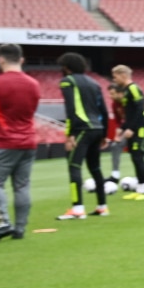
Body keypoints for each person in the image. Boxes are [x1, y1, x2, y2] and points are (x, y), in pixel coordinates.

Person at [0, 44, 41, 241]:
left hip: (2, 141)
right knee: (22, 186)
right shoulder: (34, 84)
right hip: (28, 141)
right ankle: (20, 228)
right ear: (21, 60)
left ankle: (4, 222)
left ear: (1, 60)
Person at [56, 52, 109, 220]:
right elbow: (104, 111)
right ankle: (102, 206)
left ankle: (77, 208)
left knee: (74, 166)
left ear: (66, 67)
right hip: (97, 128)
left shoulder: (67, 82)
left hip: (82, 129)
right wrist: (105, 134)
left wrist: (69, 134)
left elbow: (70, 109)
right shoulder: (95, 83)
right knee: (95, 168)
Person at [111, 65, 144, 199]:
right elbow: (130, 113)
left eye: (115, 76)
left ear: (123, 75)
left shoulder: (133, 88)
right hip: (134, 128)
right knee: (135, 157)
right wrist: (123, 127)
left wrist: (131, 128)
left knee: (139, 157)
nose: (114, 80)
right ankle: (141, 189)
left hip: (141, 129)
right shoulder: (126, 90)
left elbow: (140, 109)